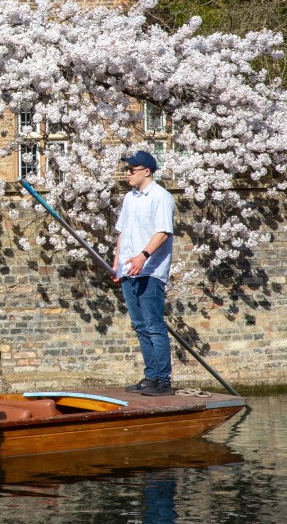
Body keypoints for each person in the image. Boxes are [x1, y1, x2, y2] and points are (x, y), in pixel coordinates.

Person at [113, 150, 176, 397]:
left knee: (153, 325)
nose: (127, 174)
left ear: (146, 171)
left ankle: (163, 380)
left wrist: (143, 256)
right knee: (139, 326)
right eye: (126, 170)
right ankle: (151, 376)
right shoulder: (130, 198)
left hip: (149, 270)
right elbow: (123, 231)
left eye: (132, 170)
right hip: (129, 270)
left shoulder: (161, 197)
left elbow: (162, 232)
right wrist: (117, 261)